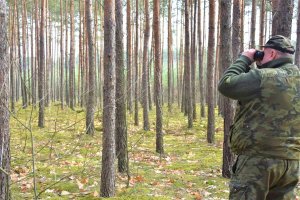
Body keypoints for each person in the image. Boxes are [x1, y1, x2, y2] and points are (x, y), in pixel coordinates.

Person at [218, 35, 300, 200]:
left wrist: (245, 59)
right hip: (291, 162)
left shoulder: (264, 77)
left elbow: (226, 85)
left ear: (272, 54)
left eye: (263, 53)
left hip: (258, 160)